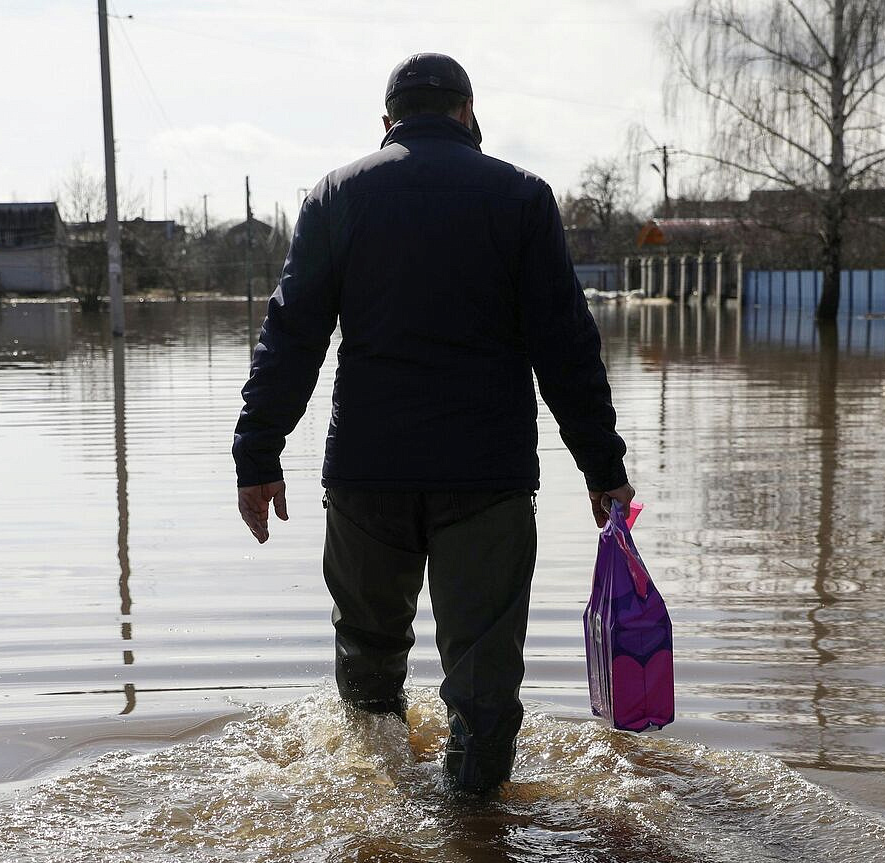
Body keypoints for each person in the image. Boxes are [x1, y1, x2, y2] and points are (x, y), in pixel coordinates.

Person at [232, 52, 633, 797]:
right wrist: (602, 469)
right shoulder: (520, 197)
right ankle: (477, 842)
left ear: (387, 124)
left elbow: (291, 336)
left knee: (368, 660)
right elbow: (566, 347)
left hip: (366, 479)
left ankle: (377, 822)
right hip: (486, 482)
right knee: (482, 683)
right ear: (468, 113)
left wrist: (257, 453)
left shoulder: (335, 196)